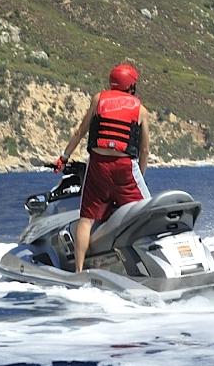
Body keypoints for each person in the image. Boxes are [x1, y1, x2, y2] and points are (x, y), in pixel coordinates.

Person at [55, 61, 154, 273]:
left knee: (86, 220)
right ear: (132, 86)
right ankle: (148, 267)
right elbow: (144, 150)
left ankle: (79, 272)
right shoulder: (141, 110)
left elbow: (80, 132)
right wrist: (139, 177)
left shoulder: (98, 99)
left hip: (98, 165)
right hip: (125, 167)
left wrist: (63, 158)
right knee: (148, 214)